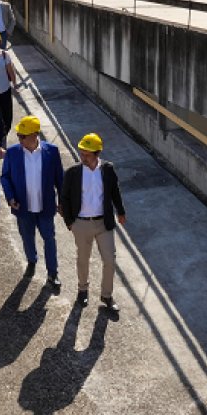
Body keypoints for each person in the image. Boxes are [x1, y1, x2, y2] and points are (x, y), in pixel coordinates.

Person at [59, 133, 127, 313]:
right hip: (81, 224)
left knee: (110, 260)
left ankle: (106, 295)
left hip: (104, 224)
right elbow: (64, 198)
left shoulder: (108, 169)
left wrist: (120, 211)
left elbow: (114, 192)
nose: (83, 158)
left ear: (97, 154)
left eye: (87, 155)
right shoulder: (73, 172)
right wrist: (70, 223)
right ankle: (82, 290)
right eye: (81, 154)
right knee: (83, 261)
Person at [0, 116, 64, 291]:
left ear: (35, 135)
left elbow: (60, 179)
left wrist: (63, 202)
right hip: (23, 207)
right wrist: (10, 197)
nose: (19, 139)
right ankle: (31, 261)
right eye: (19, 135)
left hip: (46, 206)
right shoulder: (13, 152)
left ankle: (52, 272)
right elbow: (5, 177)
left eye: (22, 136)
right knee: (27, 237)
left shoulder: (52, 151)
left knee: (49, 238)